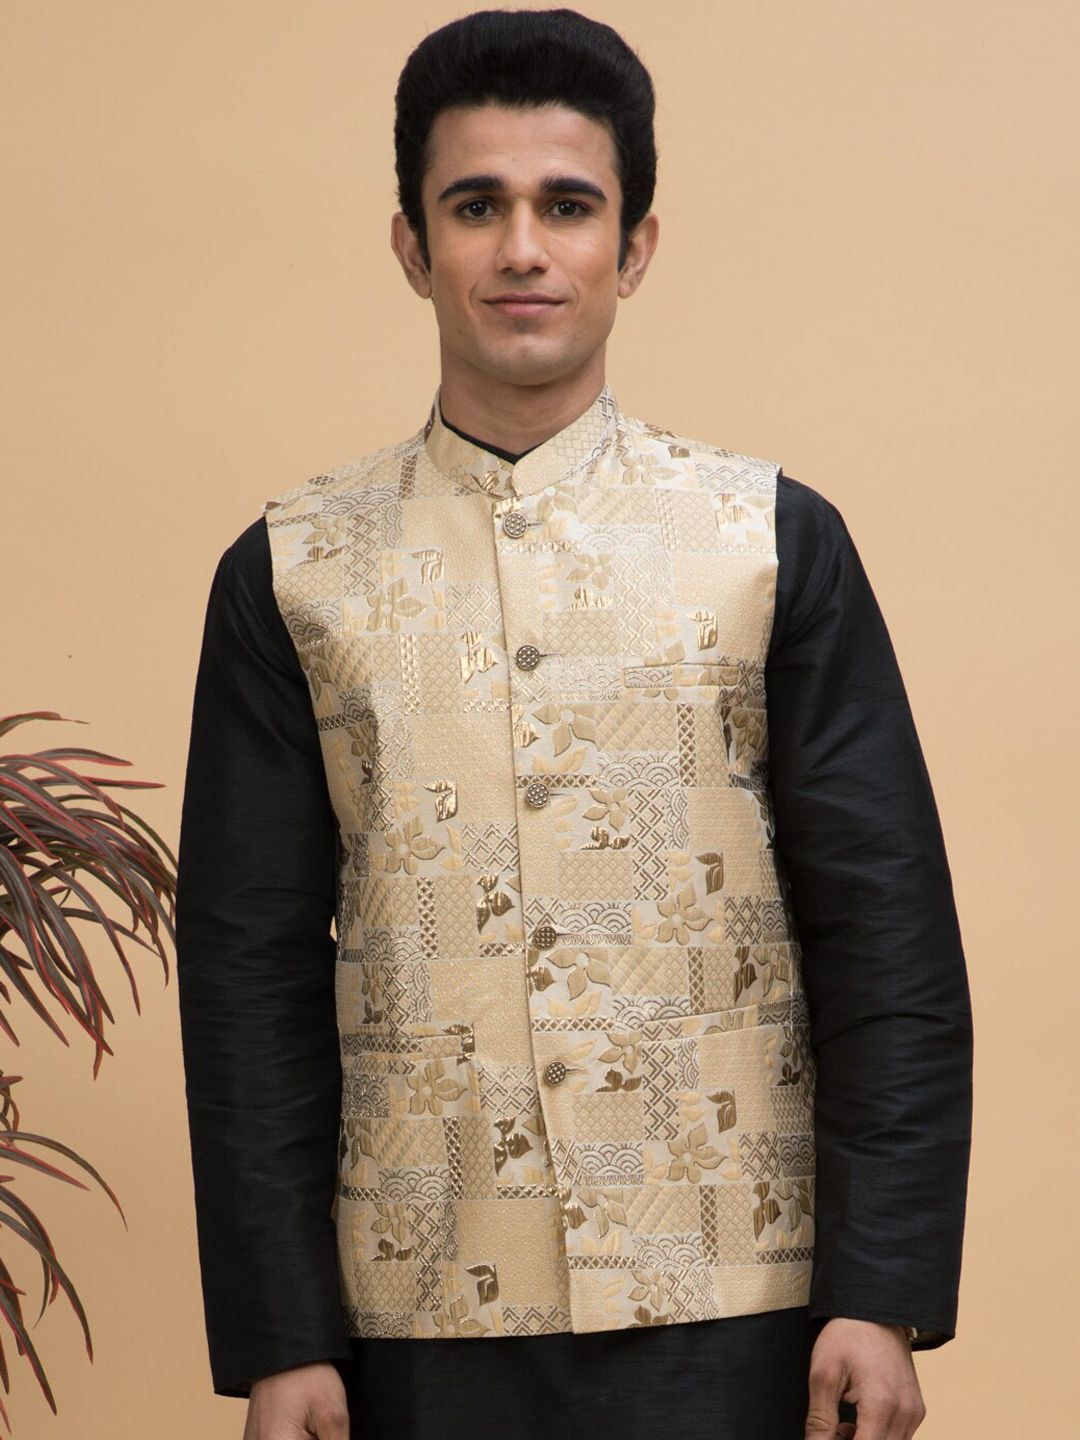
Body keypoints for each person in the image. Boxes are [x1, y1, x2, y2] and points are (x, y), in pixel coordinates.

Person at [175, 10, 974, 1440]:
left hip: (738, 1299)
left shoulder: (770, 543)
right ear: (413, 246)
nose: (522, 250)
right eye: (475, 206)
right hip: (410, 1310)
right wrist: (281, 1335)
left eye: (567, 206)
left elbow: (887, 934)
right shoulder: (293, 573)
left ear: (635, 245)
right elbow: (247, 976)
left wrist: (883, 1292)